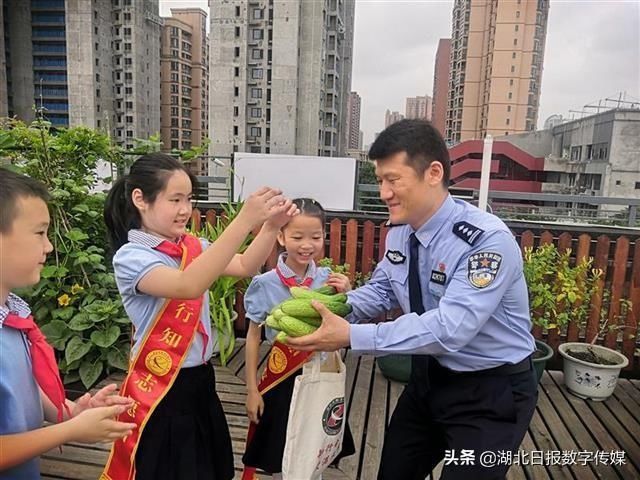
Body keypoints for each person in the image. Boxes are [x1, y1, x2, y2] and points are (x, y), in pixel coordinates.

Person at [288, 119, 538, 479]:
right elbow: (384, 289)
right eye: (379, 180)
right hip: (429, 377)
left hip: (490, 391)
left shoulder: (486, 242)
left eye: (393, 179)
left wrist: (349, 335)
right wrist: (330, 309)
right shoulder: (401, 233)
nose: (384, 192)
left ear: (433, 173)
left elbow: (451, 329)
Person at [101, 153, 298, 480]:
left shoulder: (192, 246)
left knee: (209, 467)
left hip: (201, 381)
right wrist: (244, 220)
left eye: (189, 199)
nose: (185, 209)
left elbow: (244, 266)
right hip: (163, 389)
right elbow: (188, 285)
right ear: (140, 199)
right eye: (174, 199)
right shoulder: (131, 257)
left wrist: (270, 228)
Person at [0, 168, 136, 479]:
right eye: (39, 233)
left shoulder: (12, 315)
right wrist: (69, 431)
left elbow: (24, 390)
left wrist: (71, 412)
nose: (48, 246)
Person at [242, 198, 355, 479]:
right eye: (297, 237)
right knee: (281, 447)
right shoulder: (264, 284)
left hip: (322, 374)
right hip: (281, 378)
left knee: (315, 443)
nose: (307, 245)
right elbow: (254, 336)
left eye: (315, 237)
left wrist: (349, 294)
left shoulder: (329, 281)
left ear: (324, 237)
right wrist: (252, 390)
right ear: (280, 237)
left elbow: (344, 325)